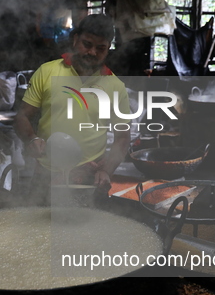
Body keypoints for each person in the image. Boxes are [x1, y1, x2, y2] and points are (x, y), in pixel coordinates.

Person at [13, 14, 131, 197]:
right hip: (47, 173)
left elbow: (122, 137)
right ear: (75, 40)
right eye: (87, 44)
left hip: (89, 178)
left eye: (101, 48)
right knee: (38, 223)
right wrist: (31, 139)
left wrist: (106, 170)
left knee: (88, 225)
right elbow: (22, 116)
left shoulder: (115, 86)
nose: (92, 52)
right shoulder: (47, 72)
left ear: (108, 49)